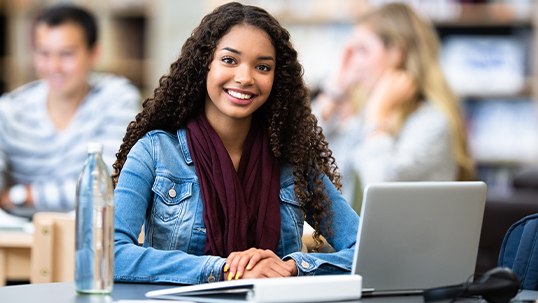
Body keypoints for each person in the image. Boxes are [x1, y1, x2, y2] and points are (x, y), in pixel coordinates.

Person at [112, 2, 359, 284]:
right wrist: (222, 269)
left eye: (262, 67)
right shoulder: (154, 152)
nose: (245, 78)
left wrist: (293, 267)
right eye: (229, 60)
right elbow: (112, 254)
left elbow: (364, 248)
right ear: (204, 64)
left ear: (276, 78)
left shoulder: (294, 159)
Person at [313, 3, 475, 206]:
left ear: (396, 52)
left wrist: (378, 116)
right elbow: (308, 155)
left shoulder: (432, 122)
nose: (354, 62)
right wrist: (334, 88)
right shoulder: (368, 114)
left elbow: (381, 192)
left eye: (362, 50)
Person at [0, 5, 141, 214]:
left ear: (94, 54)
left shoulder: (117, 98)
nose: (54, 66)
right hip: (19, 240)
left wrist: (21, 195)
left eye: (66, 54)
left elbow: (109, 182)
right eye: (44, 53)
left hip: (92, 235)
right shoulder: (10, 109)